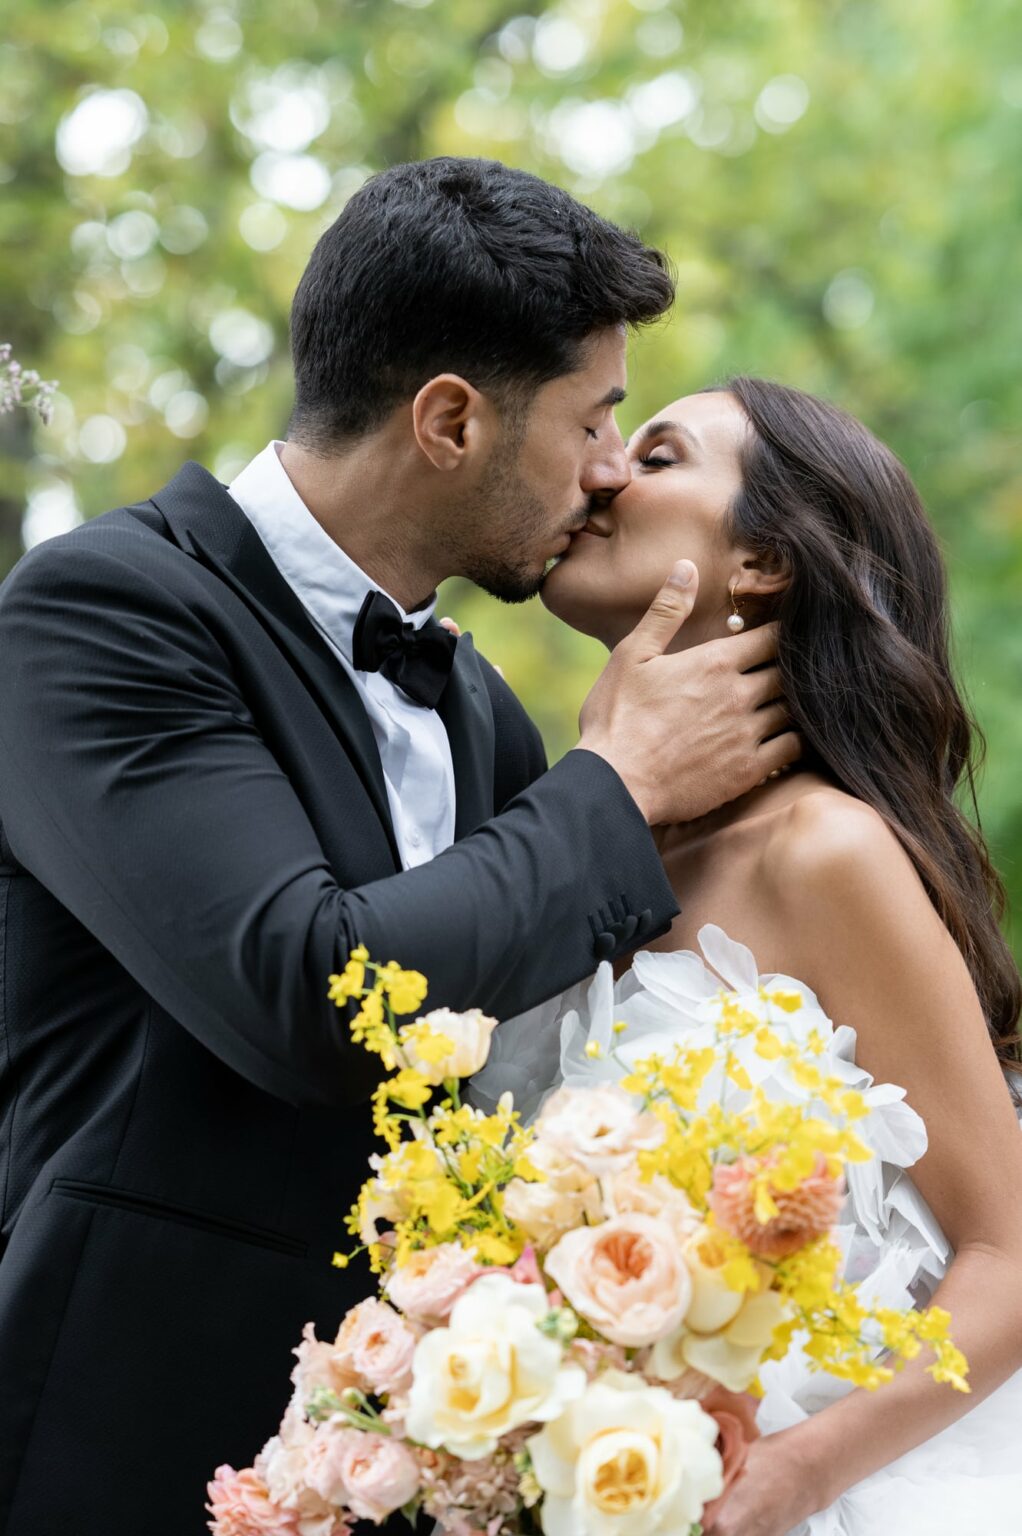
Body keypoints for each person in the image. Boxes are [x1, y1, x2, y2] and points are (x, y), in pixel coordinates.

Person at [0, 163, 797, 1534]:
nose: (608, 468)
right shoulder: (97, 613)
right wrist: (614, 785)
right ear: (447, 421)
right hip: (113, 1444)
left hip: (411, 1470)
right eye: (593, 421)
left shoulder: (479, 707)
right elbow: (304, 993)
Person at [491, 376, 1022, 1534]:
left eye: (659, 452)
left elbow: (1009, 1258)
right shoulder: (556, 849)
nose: (604, 474)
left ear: (764, 561)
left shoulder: (820, 852)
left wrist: (798, 1476)